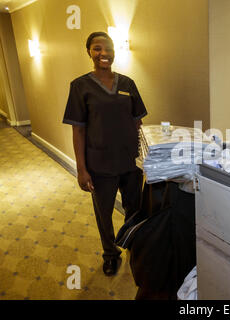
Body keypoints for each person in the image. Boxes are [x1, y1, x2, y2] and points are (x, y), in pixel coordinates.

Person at [63, 31, 148, 276]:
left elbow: (137, 123)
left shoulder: (128, 83)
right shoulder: (80, 86)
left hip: (131, 161)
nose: (103, 53)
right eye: (97, 48)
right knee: (104, 213)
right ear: (88, 52)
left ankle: (134, 243)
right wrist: (81, 169)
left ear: (114, 51)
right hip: (100, 164)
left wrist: (145, 156)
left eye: (108, 48)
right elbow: (78, 130)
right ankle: (110, 254)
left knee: (135, 207)